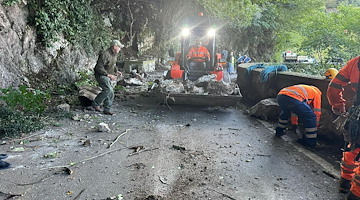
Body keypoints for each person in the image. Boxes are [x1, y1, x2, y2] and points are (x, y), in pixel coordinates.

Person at [326, 56, 360, 198]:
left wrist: (338, 105)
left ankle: (345, 182)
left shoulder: (355, 62)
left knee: (352, 148)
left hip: (357, 116)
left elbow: (334, 86)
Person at [92, 40, 124, 115]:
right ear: (115, 47)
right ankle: (96, 104)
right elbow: (98, 67)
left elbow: (113, 64)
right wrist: (109, 75)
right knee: (108, 90)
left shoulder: (114, 54)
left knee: (111, 92)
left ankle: (107, 109)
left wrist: (116, 71)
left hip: (107, 75)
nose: (120, 49)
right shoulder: (105, 54)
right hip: (101, 75)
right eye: (119, 47)